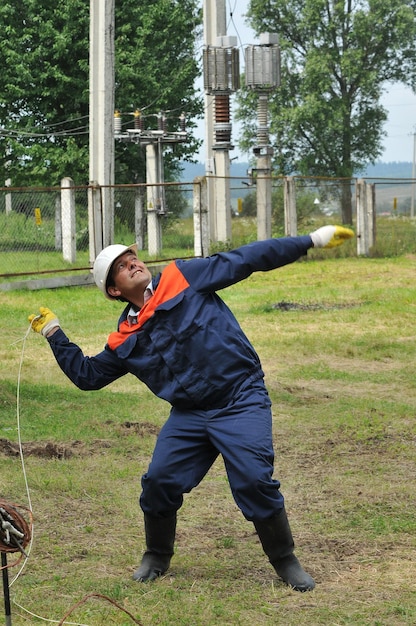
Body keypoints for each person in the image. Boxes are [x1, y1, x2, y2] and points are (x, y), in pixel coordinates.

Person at [29, 225, 353, 592]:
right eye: (121, 266)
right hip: (190, 415)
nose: (132, 262)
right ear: (114, 290)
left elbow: (248, 258)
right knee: (159, 483)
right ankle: (156, 555)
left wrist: (310, 240)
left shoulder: (184, 277)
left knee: (254, 480)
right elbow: (88, 376)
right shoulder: (125, 338)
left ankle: (285, 560)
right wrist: (55, 334)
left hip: (239, 398)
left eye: (132, 256)